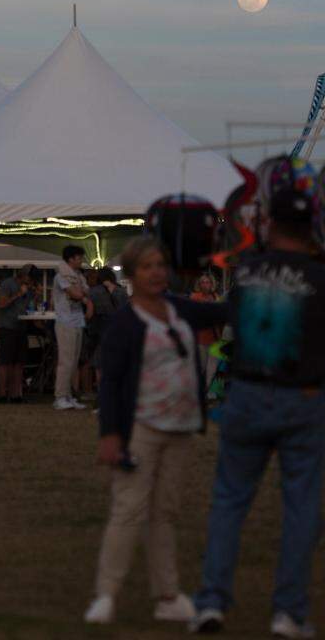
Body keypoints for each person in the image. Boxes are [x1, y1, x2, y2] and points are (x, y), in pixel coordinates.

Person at [190, 188, 325, 639]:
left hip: (245, 392)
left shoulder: (245, 273)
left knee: (229, 501)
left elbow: (233, 323)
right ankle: (288, 612)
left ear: (271, 224)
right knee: (300, 506)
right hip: (300, 397)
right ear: (313, 227)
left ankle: (210, 602)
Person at [85, 238, 227, 625]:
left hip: (179, 429)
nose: (156, 272)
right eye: (147, 267)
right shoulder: (125, 323)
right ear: (132, 275)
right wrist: (110, 435)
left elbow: (224, 311)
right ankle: (106, 594)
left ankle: (167, 595)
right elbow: (111, 383)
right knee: (129, 509)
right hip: (141, 429)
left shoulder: (179, 308)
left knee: (166, 513)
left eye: (160, 265)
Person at [53, 245, 93, 410]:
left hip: (77, 320)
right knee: (66, 361)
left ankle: (68, 396)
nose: (81, 260)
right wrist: (82, 295)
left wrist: (82, 294)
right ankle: (60, 396)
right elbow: (76, 294)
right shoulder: (61, 276)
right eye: (79, 257)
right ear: (71, 259)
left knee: (74, 361)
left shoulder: (78, 275)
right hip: (65, 321)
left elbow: (85, 292)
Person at [0, 265, 36, 404]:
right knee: (5, 362)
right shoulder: (8, 284)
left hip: (21, 326)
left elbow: (29, 306)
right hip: (7, 327)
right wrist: (19, 294)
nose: (31, 281)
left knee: (19, 363)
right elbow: (1, 304)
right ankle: (2, 394)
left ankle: (15, 395)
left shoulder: (29, 289)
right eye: (30, 278)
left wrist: (34, 293)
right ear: (23, 276)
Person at [89, 267, 129, 380]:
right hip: (119, 327)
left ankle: (102, 390)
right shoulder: (121, 290)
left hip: (102, 327)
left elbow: (90, 312)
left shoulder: (94, 291)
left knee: (100, 361)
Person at [190, 273, 223, 385]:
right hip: (201, 339)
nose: (205, 284)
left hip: (215, 338)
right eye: (202, 282)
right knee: (201, 367)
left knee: (212, 369)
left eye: (207, 282)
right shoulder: (195, 297)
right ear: (199, 284)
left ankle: (208, 394)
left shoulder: (216, 297)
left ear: (211, 284)